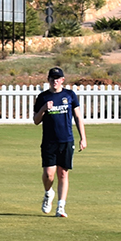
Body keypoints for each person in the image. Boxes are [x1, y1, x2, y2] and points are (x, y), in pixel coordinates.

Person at [34, 67, 87, 218]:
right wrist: (44, 108)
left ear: (62, 80)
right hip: (49, 141)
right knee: (48, 174)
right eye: (52, 78)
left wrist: (83, 137)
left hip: (66, 140)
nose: (54, 81)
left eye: (57, 78)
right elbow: (36, 121)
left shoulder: (69, 95)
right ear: (48, 80)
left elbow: (77, 117)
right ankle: (48, 193)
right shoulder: (43, 97)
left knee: (63, 173)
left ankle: (61, 207)